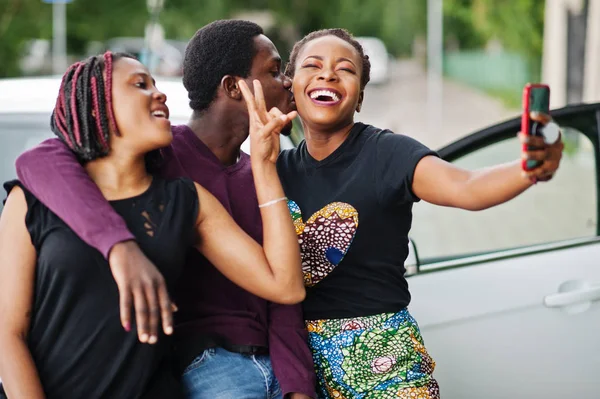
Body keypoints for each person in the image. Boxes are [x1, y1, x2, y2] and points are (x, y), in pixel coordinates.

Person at [10, 20, 316, 399]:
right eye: (141, 85)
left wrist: (298, 387)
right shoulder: (144, 165)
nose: (161, 96)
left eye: (156, 84)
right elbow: (37, 159)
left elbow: (284, 289)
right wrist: (119, 246)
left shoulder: (189, 197)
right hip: (204, 366)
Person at [273, 29, 564, 398]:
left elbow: (467, 186)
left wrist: (530, 169)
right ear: (292, 85)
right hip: (300, 372)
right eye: (312, 65)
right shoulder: (274, 171)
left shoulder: (387, 154)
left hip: (385, 365)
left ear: (360, 96)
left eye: (344, 69)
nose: (327, 74)